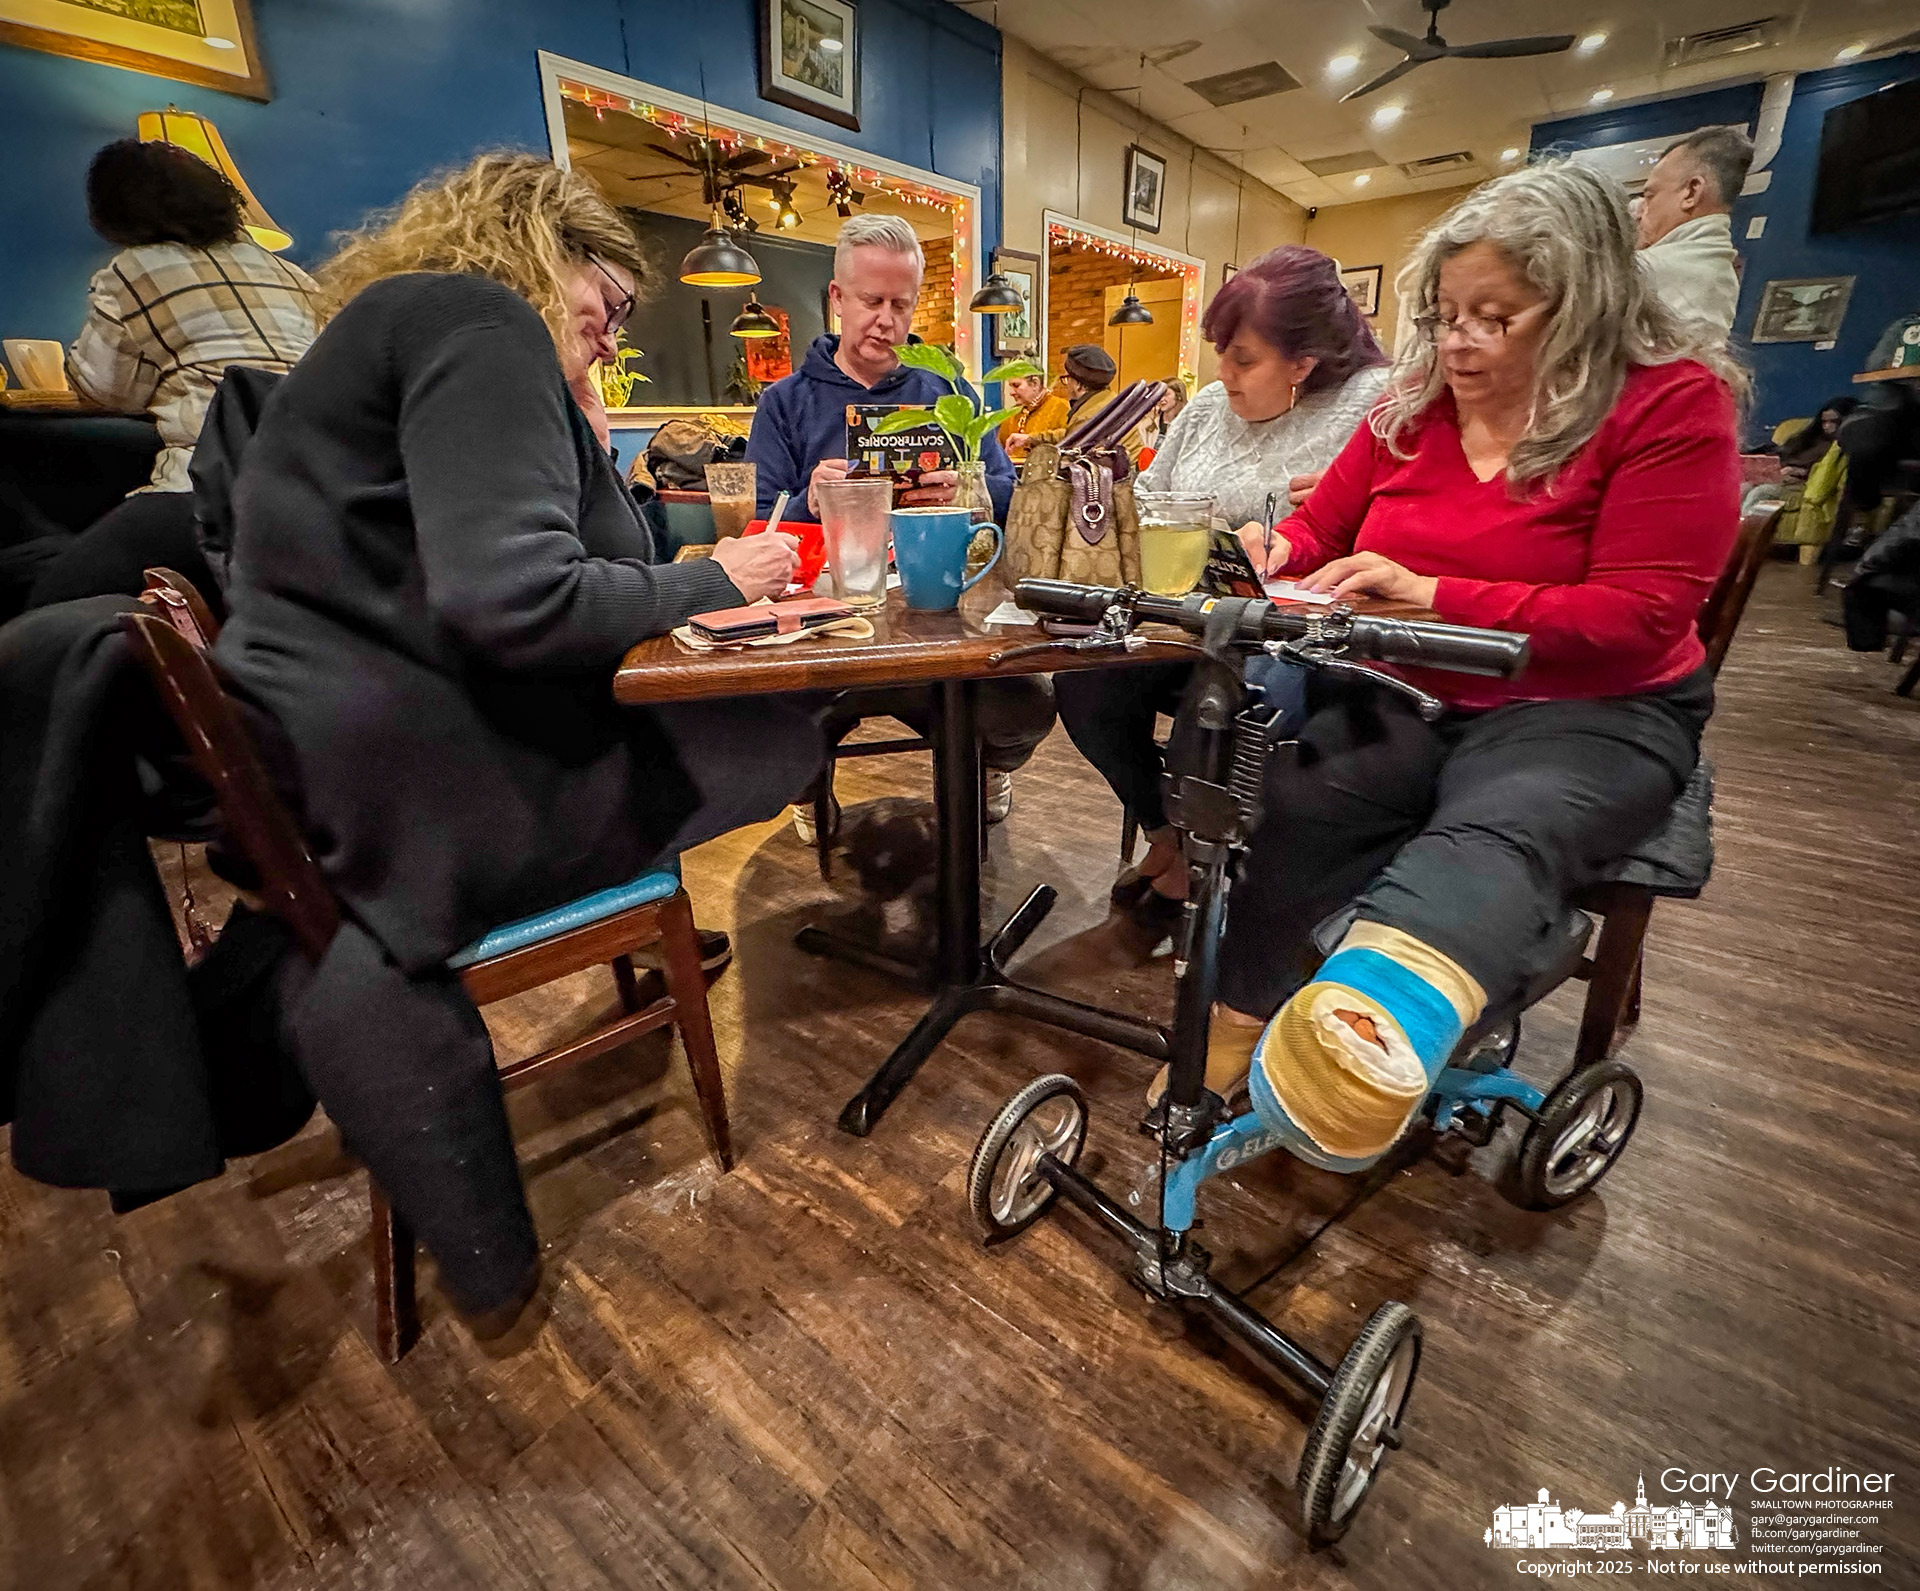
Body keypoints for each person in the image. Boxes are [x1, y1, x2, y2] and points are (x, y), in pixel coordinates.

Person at [214, 153, 821, 1340]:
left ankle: (393, 962)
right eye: (599, 314)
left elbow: (523, 568)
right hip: (419, 792)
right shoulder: (477, 315)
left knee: (734, 725)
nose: (604, 345)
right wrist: (709, 576)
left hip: (328, 770)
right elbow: (521, 600)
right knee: (778, 727)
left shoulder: (399, 330)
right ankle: (508, 929)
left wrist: (586, 439)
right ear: (537, 255)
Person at [1163, 160, 1745, 1167]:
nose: (1458, 343)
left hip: (1593, 705)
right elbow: (1321, 524)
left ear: (1585, 307)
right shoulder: (1413, 407)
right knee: (1290, 803)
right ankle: (1243, 1015)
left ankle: (1373, 1037)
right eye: (1443, 316)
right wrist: (1280, 555)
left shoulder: (1668, 405)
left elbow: (1643, 615)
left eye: (1495, 317)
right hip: (1412, 679)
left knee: (1500, 827)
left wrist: (1435, 593)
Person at [1054, 245, 1391, 930]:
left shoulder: (1369, 405)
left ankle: (1212, 866)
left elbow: (1394, 525)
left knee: (1223, 701)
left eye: (1244, 358)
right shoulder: (1207, 406)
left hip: (1286, 635)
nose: (1224, 373)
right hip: (1180, 611)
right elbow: (1149, 495)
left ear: (1304, 362)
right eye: (1221, 353)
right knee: (1081, 680)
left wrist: (1359, 507)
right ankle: (1166, 832)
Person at [746, 214, 1053, 833]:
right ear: (836, 298)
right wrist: (811, 498)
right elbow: (761, 522)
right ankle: (808, 791)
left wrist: (965, 488)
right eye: (870, 301)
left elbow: (1008, 490)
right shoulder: (785, 403)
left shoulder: (948, 390)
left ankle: (987, 767)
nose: (886, 320)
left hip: (937, 618)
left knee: (1027, 704)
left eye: (901, 304)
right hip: (827, 628)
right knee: (762, 712)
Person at [24, 139, 319, 613]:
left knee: (49, 602)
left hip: (209, 492)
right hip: (316, 494)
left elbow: (106, 392)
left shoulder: (131, 270)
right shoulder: (295, 276)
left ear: (113, 211)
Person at [1634, 126, 1753, 338]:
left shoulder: (1650, 269)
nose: (1642, 211)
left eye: (1650, 196)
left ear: (1691, 192)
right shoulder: (1719, 269)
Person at [999, 369, 1068, 462]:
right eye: (1011, 387)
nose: (1011, 393)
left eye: (1016, 386)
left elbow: (1070, 436)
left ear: (1035, 383)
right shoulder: (1012, 414)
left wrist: (1031, 439)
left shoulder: (1061, 407)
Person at [1137, 373, 1190, 458]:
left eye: (1166, 395)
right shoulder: (1149, 423)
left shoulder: (1188, 423)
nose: (1162, 399)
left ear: (1179, 396)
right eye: (1160, 395)